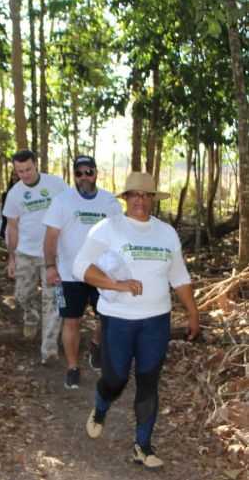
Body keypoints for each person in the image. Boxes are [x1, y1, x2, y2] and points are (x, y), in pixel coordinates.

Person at [73, 172, 200, 469]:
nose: (140, 201)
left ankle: (142, 446)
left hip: (156, 320)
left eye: (146, 196)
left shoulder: (166, 233)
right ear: (126, 198)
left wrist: (193, 312)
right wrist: (117, 285)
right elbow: (80, 267)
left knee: (148, 381)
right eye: (135, 195)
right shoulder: (109, 228)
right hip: (118, 318)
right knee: (115, 378)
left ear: (153, 199)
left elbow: (179, 276)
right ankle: (101, 405)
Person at [43, 155, 122, 389]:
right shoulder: (62, 201)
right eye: (79, 173)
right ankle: (72, 368)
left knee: (106, 318)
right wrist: (50, 266)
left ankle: (96, 345)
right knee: (71, 321)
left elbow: (119, 236)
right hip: (70, 274)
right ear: (74, 175)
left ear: (96, 173)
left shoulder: (109, 202)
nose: (84, 177)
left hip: (101, 273)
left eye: (89, 172)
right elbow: (51, 237)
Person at [3, 149, 67, 364]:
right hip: (26, 254)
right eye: (20, 171)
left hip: (54, 255)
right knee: (21, 295)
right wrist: (11, 258)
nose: (25, 174)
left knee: (54, 301)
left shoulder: (56, 185)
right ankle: (31, 315)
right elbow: (12, 227)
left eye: (28, 169)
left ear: (36, 164)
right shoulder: (14, 193)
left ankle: (48, 349)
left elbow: (70, 213)